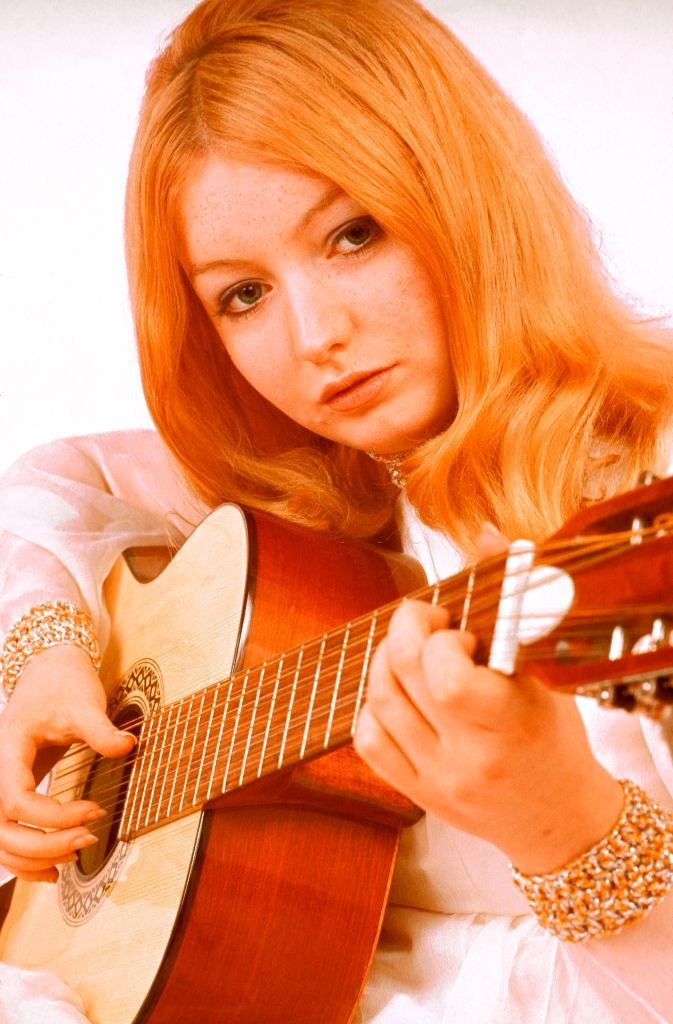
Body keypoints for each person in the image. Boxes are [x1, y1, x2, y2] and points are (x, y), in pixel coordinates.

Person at [1, 0, 673, 1020]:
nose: (317, 335)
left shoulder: (640, 477)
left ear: (463, 194)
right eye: (242, 295)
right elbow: (53, 486)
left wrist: (567, 827)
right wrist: (44, 650)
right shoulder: (311, 480)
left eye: (352, 235)